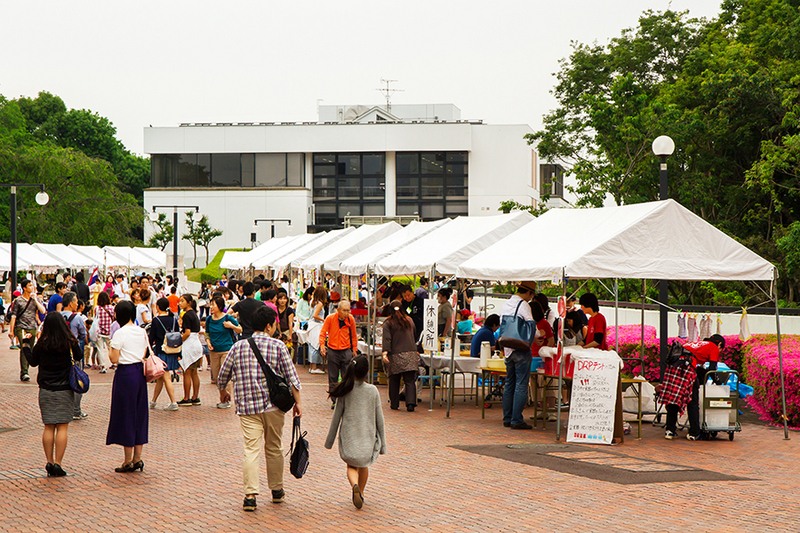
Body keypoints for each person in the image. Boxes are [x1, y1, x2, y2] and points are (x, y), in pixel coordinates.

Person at [217, 305, 302, 512]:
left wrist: (223, 392)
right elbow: (293, 378)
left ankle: (250, 495)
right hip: (274, 407)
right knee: (274, 447)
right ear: (268, 325)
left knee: (251, 450)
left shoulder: (238, 347)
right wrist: (298, 402)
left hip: (247, 407)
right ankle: (277, 490)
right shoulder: (279, 346)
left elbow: (222, 376)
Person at [23, 312, 83, 477]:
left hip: (46, 390)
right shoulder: (68, 342)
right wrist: (70, 336)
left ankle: (49, 461)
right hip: (64, 389)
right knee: (62, 426)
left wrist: (26, 344)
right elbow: (79, 355)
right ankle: (58, 463)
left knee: (48, 426)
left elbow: (33, 362)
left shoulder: (42, 344)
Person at [325, 355, 386, 510]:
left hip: (349, 437)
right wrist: (383, 444)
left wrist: (329, 441)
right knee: (364, 465)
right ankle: (361, 492)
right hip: (367, 438)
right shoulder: (373, 391)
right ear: (367, 372)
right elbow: (380, 420)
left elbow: (336, 417)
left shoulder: (345, 389)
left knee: (351, 466)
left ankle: (355, 486)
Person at [106, 300, 149, 473]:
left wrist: (110, 348)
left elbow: (114, 358)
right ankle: (138, 457)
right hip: (140, 373)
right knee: (139, 414)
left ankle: (127, 460)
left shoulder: (120, 333)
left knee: (126, 415)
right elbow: (145, 352)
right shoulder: (141, 331)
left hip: (125, 374)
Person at [663, 335, 726, 441]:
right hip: (686, 369)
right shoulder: (713, 347)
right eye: (721, 348)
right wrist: (720, 385)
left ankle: (670, 431)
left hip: (672, 368)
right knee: (692, 400)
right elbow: (712, 370)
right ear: (719, 344)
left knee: (673, 399)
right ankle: (694, 433)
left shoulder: (697, 344)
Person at [501, 281, 536, 430]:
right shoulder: (523, 305)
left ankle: (507, 418)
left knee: (509, 383)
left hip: (508, 348)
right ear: (528, 293)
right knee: (521, 384)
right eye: (531, 295)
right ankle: (516, 420)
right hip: (521, 349)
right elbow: (531, 324)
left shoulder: (506, 304)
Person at [381, 300, 418, 411]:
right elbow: (414, 335)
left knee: (394, 379)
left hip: (396, 355)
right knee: (410, 381)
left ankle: (394, 403)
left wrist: (385, 353)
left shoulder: (388, 323)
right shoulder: (410, 320)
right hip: (411, 354)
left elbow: (387, 339)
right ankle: (411, 404)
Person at [320, 299, 359, 404]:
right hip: (333, 350)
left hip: (346, 350)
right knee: (333, 376)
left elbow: (354, 336)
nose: (346, 313)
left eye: (348, 310)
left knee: (346, 376)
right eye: (344, 310)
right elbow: (323, 333)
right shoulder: (330, 318)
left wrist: (354, 349)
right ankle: (335, 400)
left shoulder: (351, 319)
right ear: (338, 310)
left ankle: (345, 399)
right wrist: (322, 345)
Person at [205, 296, 242, 407]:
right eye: (210, 304)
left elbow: (240, 329)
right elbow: (207, 333)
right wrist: (208, 342)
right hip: (214, 350)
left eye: (213, 304)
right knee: (216, 377)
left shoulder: (227, 318)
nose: (211, 307)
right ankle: (223, 396)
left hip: (227, 349)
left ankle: (225, 400)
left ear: (220, 306)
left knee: (225, 375)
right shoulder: (209, 319)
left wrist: (230, 326)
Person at [8, 279, 47, 381]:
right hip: (21, 327)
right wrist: (11, 330)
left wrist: (36, 300)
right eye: (29, 285)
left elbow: (43, 310)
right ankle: (24, 372)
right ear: (24, 288)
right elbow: (14, 316)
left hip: (32, 327)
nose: (32, 287)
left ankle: (28, 368)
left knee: (31, 348)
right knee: (24, 347)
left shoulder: (35, 299)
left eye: (32, 285)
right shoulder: (18, 301)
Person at [60, 292, 88, 420]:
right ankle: (76, 410)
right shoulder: (77, 318)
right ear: (71, 303)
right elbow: (83, 335)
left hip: (58, 354)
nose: (78, 304)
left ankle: (63, 409)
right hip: (73, 355)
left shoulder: (56, 317)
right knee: (77, 380)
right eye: (76, 301)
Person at [147, 298, 179, 410]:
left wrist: (148, 351)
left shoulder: (156, 320)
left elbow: (151, 337)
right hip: (173, 350)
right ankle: (153, 401)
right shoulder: (174, 319)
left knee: (166, 377)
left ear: (158, 307)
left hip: (161, 351)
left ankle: (173, 402)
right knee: (161, 377)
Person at [177, 295, 204, 406]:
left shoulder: (187, 315)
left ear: (189, 302)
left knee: (187, 372)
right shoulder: (194, 314)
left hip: (190, 345)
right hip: (197, 345)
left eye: (182, 301)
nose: (180, 303)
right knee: (194, 373)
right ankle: (195, 397)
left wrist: (179, 340)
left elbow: (187, 333)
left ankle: (187, 398)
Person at [306, 286, 328, 374]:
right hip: (316, 326)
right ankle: (314, 367)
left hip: (311, 325)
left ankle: (312, 366)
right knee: (315, 346)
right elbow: (315, 315)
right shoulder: (319, 304)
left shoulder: (312, 302)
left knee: (312, 346)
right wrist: (324, 320)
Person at [94, 291, 116, 374]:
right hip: (109, 331)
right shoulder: (111, 308)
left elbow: (95, 318)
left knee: (100, 349)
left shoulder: (97, 308)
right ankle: (115, 364)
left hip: (99, 331)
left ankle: (103, 366)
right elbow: (113, 317)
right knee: (111, 348)